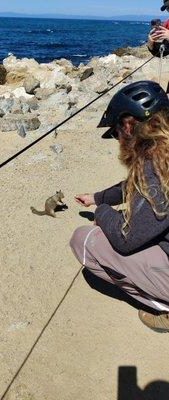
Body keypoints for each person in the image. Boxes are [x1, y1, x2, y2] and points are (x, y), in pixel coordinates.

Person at [70, 80, 169, 333]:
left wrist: (102, 213)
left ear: (128, 125)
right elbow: (136, 184)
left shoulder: (154, 168)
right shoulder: (161, 155)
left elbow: (127, 238)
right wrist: (99, 197)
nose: (117, 140)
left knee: (83, 239)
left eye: (115, 133)